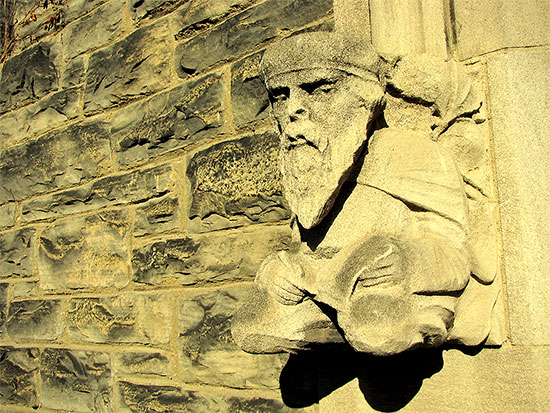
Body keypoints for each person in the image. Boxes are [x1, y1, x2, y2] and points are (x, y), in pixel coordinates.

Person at [232, 32, 471, 355]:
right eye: (280, 96)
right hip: (326, 290)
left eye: (320, 90)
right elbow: (305, 250)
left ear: (363, 98)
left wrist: (406, 261)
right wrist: (277, 271)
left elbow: (457, 254)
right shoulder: (307, 162)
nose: (294, 109)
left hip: (395, 292)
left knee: (376, 328)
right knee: (251, 326)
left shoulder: (407, 152)